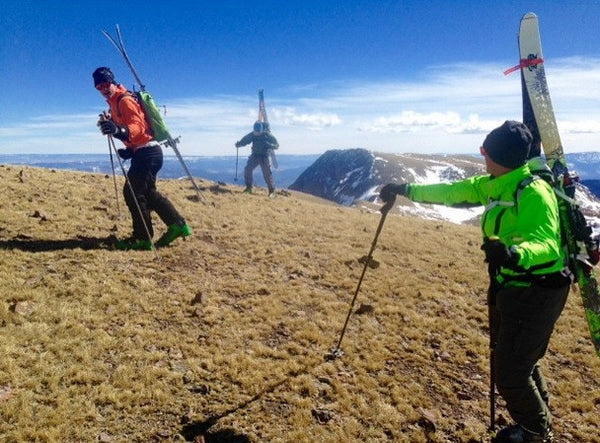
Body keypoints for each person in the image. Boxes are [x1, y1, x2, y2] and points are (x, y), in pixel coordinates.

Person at [379, 121, 570, 443]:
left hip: (535, 292)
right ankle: (536, 421)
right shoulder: (496, 182)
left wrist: (513, 254)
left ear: (497, 155)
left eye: (484, 151)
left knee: (510, 373)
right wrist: (406, 189)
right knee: (519, 361)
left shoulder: (533, 192)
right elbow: (453, 193)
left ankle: (536, 433)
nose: (481, 156)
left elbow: (547, 244)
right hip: (512, 287)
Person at [93, 67, 191, 250]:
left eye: (106, 84)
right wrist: (128, 149)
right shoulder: (114, 103)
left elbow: (137, 126)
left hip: (148, 154)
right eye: (99, 87)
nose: (104, 88)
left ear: (113, 82)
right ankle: (178, 225)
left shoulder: (124, 100)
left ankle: (143, 238)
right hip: (145, 152)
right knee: (148, 193)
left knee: (132, 192)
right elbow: (135, 133)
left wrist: (119, 131)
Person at [235, 121, 279, 197]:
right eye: (255, 131)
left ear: (262, 130)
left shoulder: (267, 135)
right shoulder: (253, 134)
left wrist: (269, 145)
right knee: (248, 169)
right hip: (255, 155)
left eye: (258, 132)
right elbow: (245, 140)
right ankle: (249, 188)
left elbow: (277, 145)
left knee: (267, 173)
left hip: (264, 156)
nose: (256, 133)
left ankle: (272, 191)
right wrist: (239, 144)